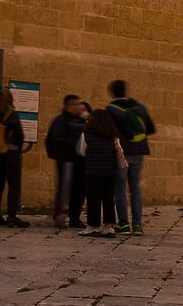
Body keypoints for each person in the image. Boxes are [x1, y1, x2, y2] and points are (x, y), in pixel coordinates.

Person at [107, 80, 155, 234]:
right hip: (139, 151)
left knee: (120, 187)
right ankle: (137, 224)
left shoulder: (111, 109)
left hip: (122, 153)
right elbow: (151, 128)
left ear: (112, 92)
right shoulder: (139, 108)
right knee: (135, 188)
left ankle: (123, 224)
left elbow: (109, 132)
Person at [79, 106, 126, 236]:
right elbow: (118, 150)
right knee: (108, 199)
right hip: (109, 171)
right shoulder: (113, 135)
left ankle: (93, 226)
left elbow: (82, 151)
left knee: (93, 198)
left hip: (93, 170)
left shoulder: (86, 134)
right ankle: (108, 226)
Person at [0, 88, 29, 228]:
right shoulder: (11, 114)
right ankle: (11, 216)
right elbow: (19, 135)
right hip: (10, 152)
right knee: (13, 184)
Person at [45, 95, 88, 228]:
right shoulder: (61, 121)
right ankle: (59, 214)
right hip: (66, 160)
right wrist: (76, 144)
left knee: (79, 190)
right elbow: (55, 139)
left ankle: (75, 217)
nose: (81, 106)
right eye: (77, 104)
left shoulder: (82, 120)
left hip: (81, 161)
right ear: (70, 106)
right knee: (65, 188)